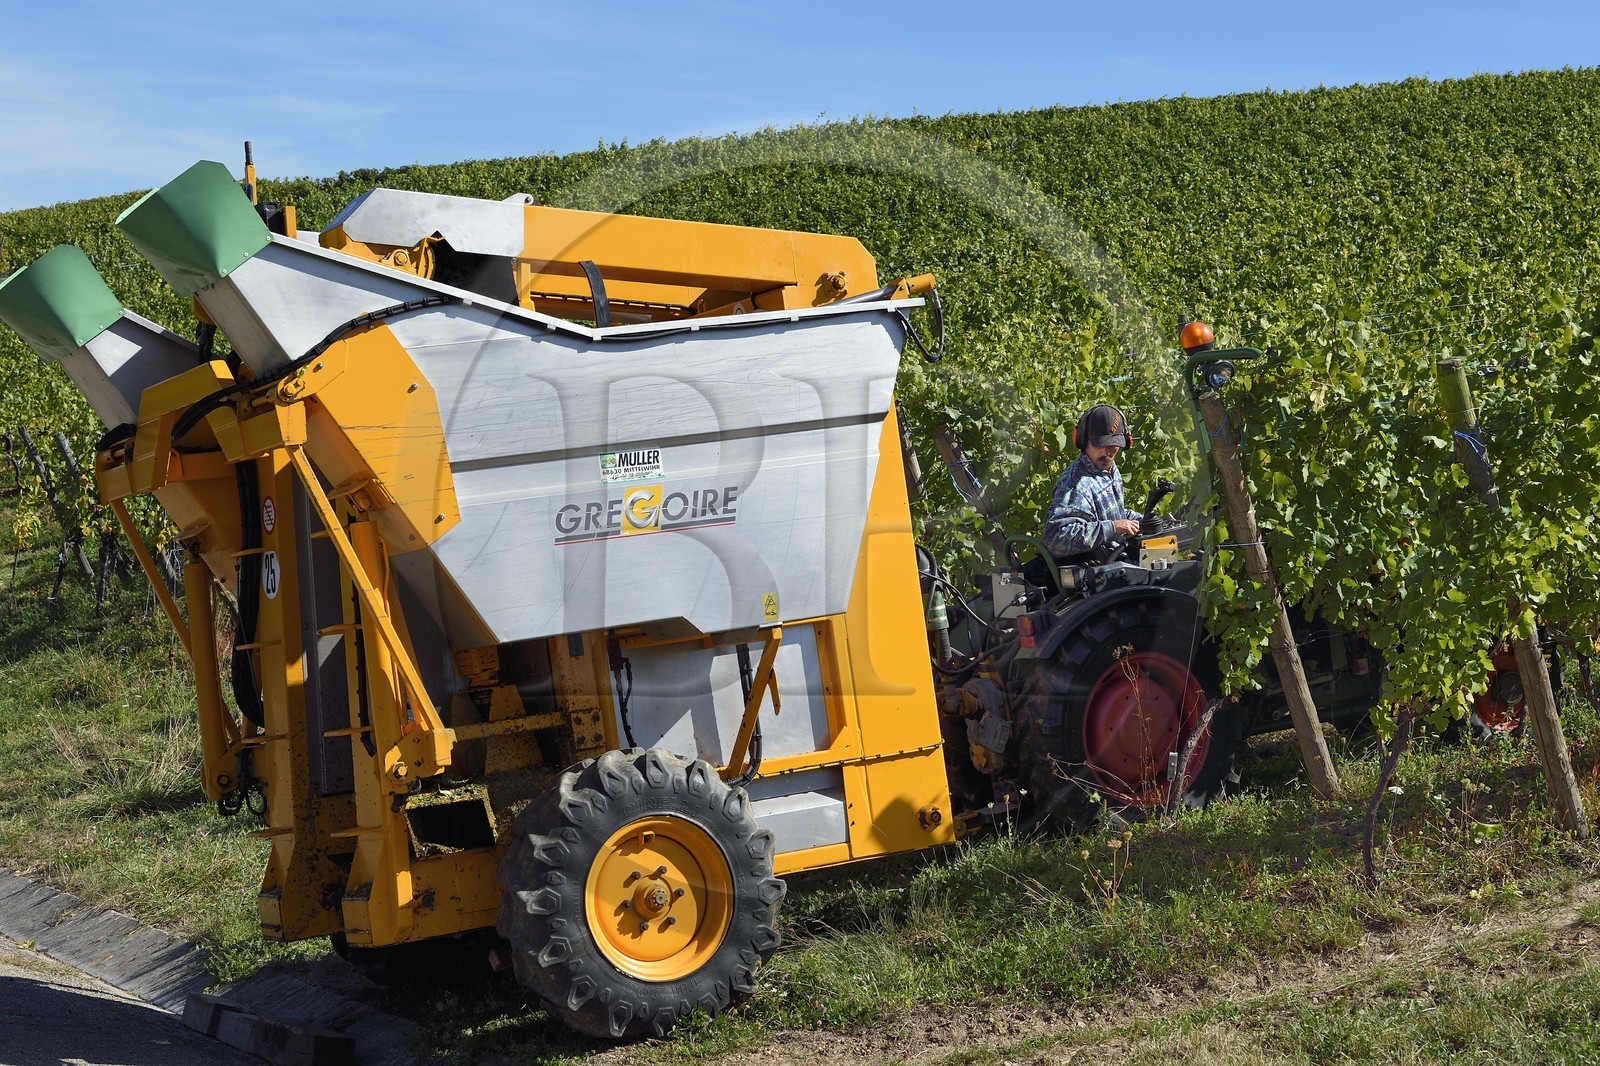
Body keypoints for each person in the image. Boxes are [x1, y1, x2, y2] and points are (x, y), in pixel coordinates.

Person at [1042, 403, 1143, 559]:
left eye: (1113, 445)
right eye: (1099, 444)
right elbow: (1055, 538)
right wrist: (1113, 528)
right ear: (1082, 440)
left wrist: (1146, 522)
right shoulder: (1075, 484)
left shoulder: (1108, 469)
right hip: (1093, 571)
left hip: (1116, 559)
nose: (1106, 452)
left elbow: (1114, 515)